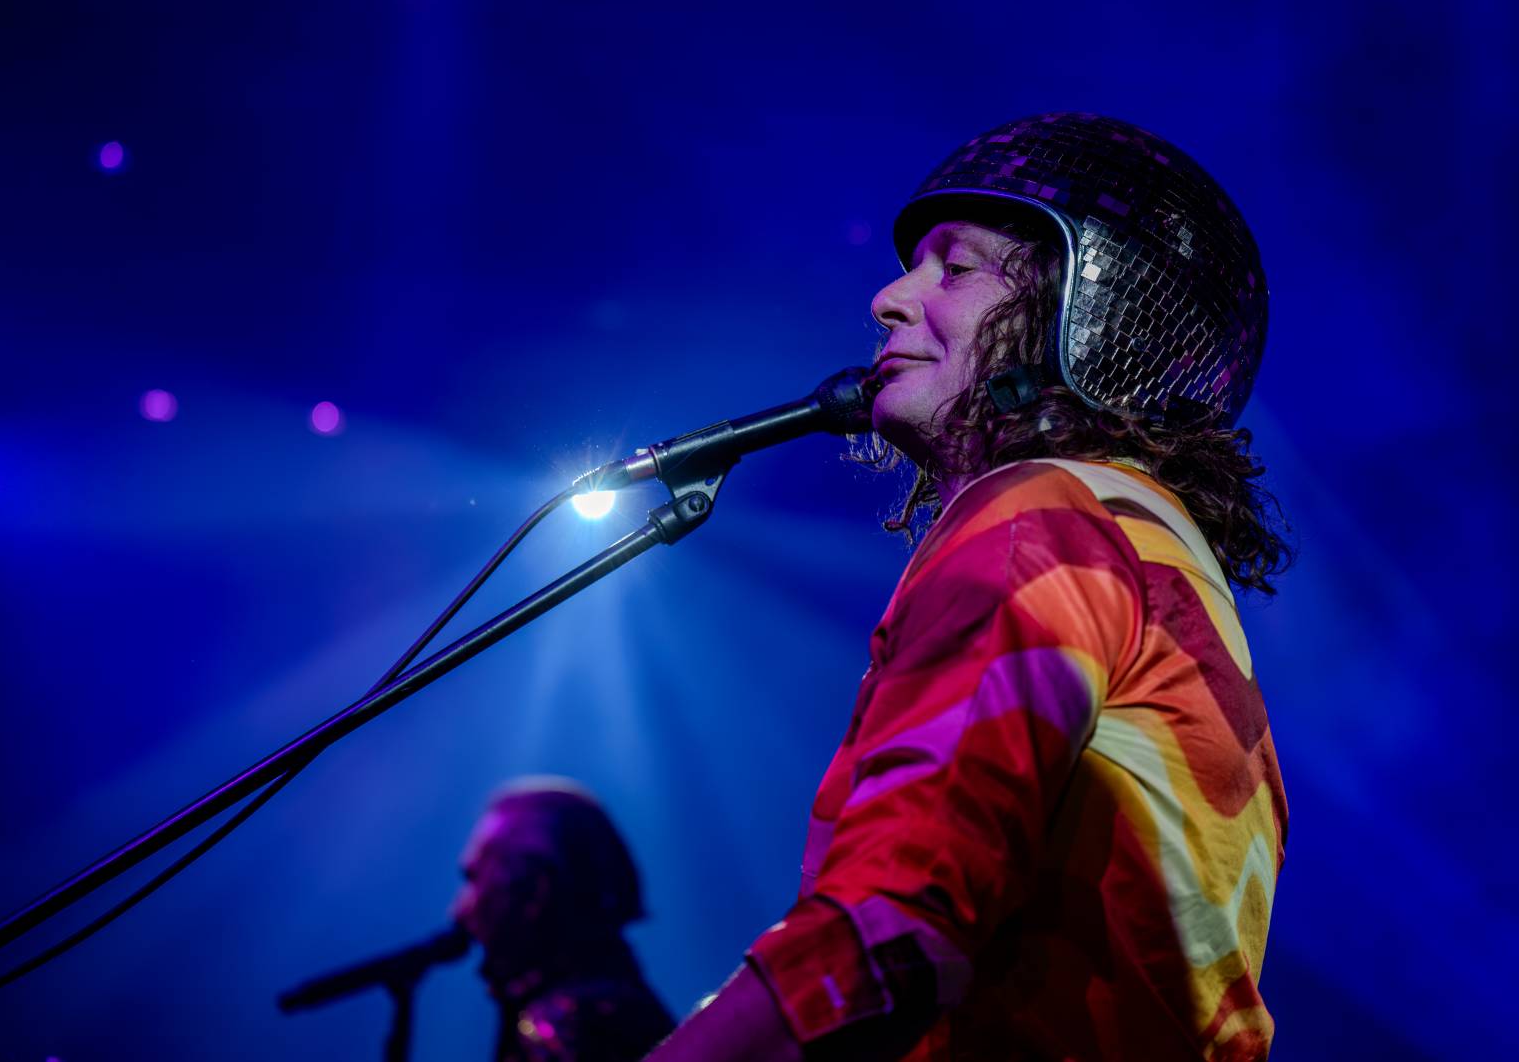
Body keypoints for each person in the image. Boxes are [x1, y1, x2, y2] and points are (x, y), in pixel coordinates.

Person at [645, 112, 1290, 1061]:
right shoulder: (1164, 566)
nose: (887, 298)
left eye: (956, 268)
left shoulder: (1046, 518)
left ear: (1092, 313)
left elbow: (891, 929)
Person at [452, 778, 675, 1062]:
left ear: (535, 888)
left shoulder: (566, 1026)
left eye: (474, 877)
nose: (458, 910)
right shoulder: (619, 1010)